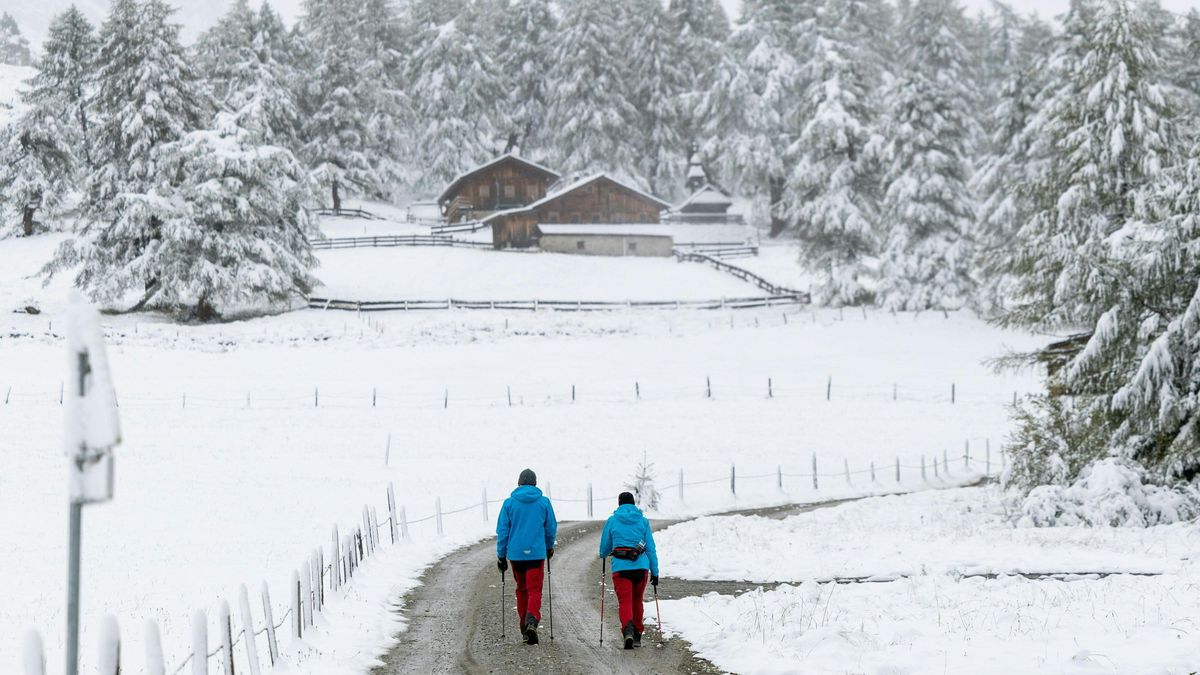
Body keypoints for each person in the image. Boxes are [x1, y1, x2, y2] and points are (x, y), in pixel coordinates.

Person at [496, 468, 558, 644]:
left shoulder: (509, 504)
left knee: (521, 589)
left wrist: (501, 555)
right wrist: (548, 546)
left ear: (519, 483)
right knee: (534, 589)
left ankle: (525, 627)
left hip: (516, 555)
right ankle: (532, 620)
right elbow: (550, 527)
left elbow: (503, 531)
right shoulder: (544, 503)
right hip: (536, 554)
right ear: (535, 483)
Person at [599, 491, 659, 649]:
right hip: (641, 568)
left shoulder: (612, 521)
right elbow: (651, 548)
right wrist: (655, 571)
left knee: (625, 601)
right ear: (633, 504)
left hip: (621, 568)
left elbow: (604, 549)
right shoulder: (643, 521)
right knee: (637, 600)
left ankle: (628, 631)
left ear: (619, 504)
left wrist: (604, 553)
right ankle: (638, 634)